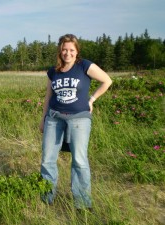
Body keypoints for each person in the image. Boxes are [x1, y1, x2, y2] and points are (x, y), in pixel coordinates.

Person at [39, 34, 112, 211]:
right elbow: (48, 97)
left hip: (79, 118)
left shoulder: (84, 66)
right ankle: (46, 199)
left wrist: (92, 99)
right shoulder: (53, 71)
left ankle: (82, 204)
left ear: (77, 51)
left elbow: (107, 80)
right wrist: (43, 119)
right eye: (64, 49)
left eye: (71, 50)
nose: (67, 53)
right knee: (47, 160)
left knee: (79, 160)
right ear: (60, 50)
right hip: (54, 118)